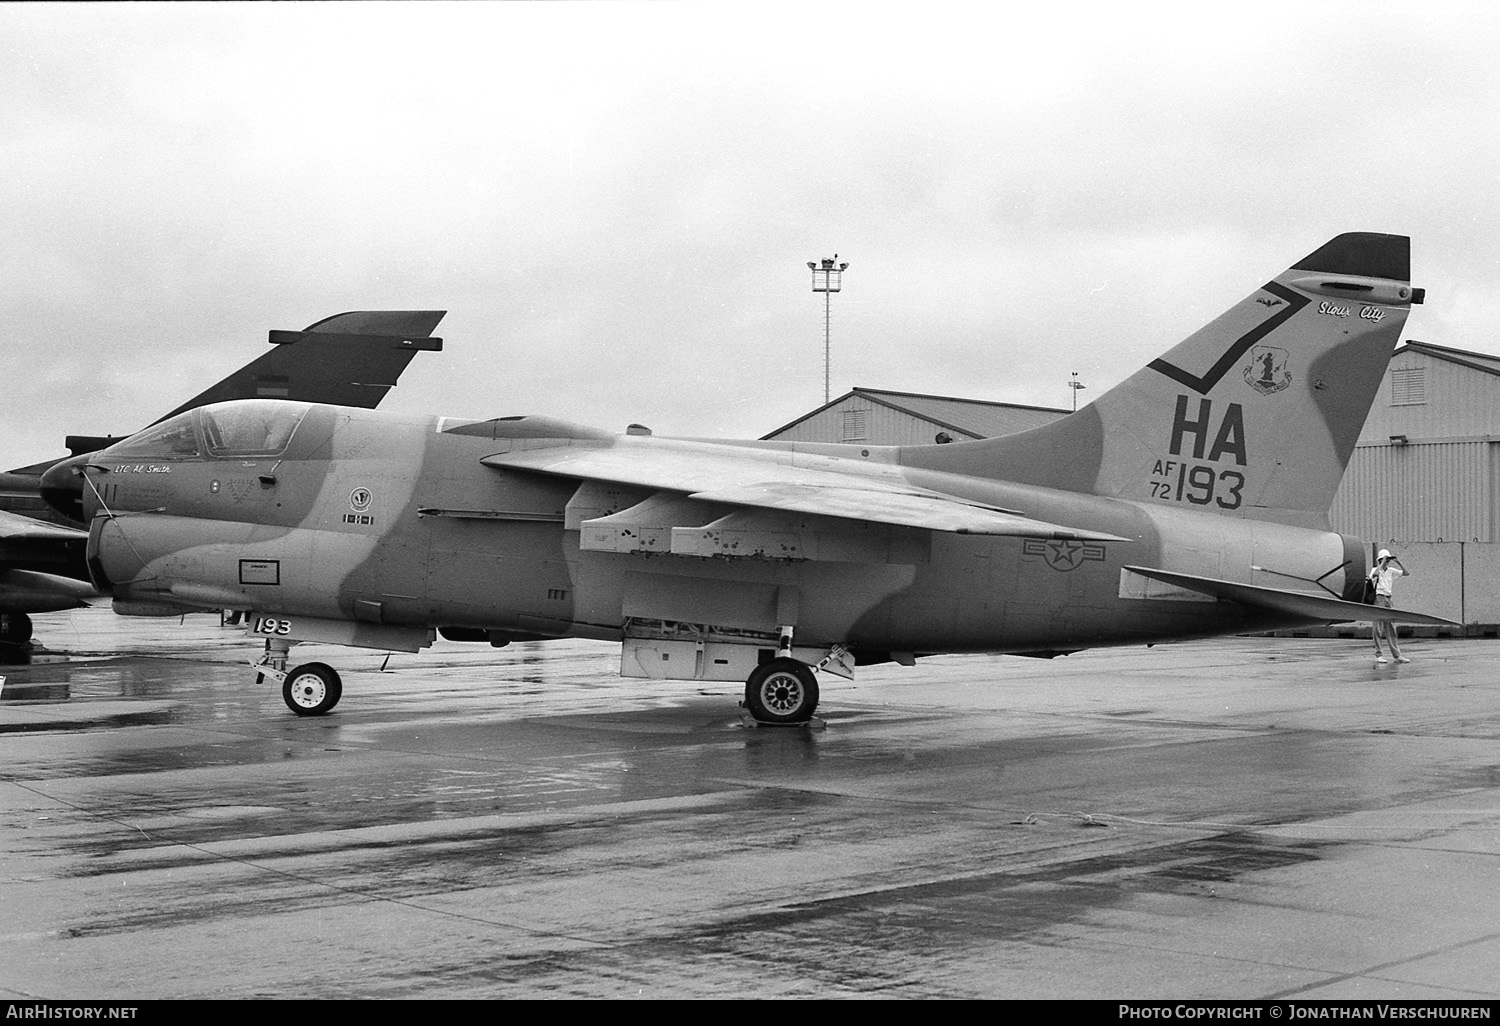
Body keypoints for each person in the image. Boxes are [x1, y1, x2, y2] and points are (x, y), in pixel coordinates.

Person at [1369, 549, 1411, 664]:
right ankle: (1378, 655)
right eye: (1385, 559)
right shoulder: (1375, 569)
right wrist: (1382, 563)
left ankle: (1397, 655)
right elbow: (1374, 575)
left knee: (1391, 627)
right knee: (1378, 627)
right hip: (1378, 598)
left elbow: (1406, 573)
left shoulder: (1391, 571)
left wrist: (1398, 562)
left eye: (1388, 560)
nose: (1387, 562)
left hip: (1388, 598)